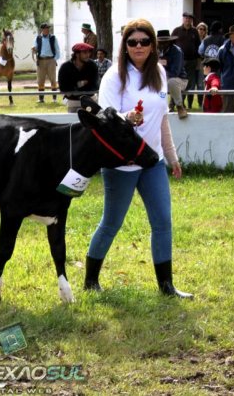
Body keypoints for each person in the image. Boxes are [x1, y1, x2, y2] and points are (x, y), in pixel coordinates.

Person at [84, 18, 192, 299]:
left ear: (153, 45)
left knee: (163, 222)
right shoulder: (114, 77)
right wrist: (126, 117)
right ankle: (90, 281)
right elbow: (105, 119)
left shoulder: (159, 72)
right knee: (111, 223)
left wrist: (172, 156)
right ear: (125, 45)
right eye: (132, 42)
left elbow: (162, 119)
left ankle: (167, 287)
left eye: (144, 41)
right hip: (123, 163)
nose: (139, 46)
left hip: (152, 162)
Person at [57, 42, 99, 112]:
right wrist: (81, 84)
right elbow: (63, 87)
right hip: (73, 101)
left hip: (90, 99)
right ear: (77, 54)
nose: (88, 55)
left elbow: (94, 85)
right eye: (85, 53)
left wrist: (74, 87)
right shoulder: (65, 67)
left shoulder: (92, 65)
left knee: (92, 118)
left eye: (89, 52)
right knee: (72, 118)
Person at [171, 11, 201, 110]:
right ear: (183, 19)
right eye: (186, 18)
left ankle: (188, 104)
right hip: (179, 62)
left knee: (189, 84)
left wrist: (198, 62)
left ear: (192, 20)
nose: (188, 20)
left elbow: (198, 47)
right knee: (177, 82)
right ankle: (174, 104)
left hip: (191, 62)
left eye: (189, 18)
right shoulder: (176, 31)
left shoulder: (195, 31)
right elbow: (170, 45)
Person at [157, 29, 188, 119]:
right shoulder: (155, 51)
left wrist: (162, 71)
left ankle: (179, 106)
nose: (162, 44)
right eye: (160, 42)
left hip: (179, 79)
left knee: (171, 82)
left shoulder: (177, 52)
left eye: (164, 42)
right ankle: (159, 106)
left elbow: (175, 72)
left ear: (169, 42)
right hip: (161, 78)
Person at [32, 23, 60, 103]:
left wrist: (55, 59)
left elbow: (57, 50)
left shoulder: (53, 38)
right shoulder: (37, 38)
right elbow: (35, 48)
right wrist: (34, 49)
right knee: (40, 80)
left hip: (51, 60)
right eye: (45, 29)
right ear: (42, 30)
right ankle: (41, 99)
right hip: (41, 61)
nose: (47, 30)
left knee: (53, 80)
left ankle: (54, 99)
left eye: (48, 28)